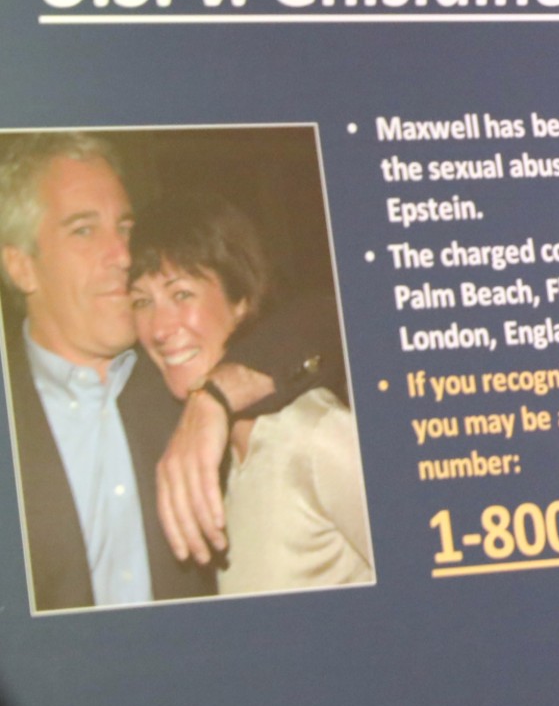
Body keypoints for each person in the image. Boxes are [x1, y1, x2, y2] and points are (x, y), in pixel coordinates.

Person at [0, 133, 334, 609]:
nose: (123, 255)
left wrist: (216, 395)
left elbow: (326, 317)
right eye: (84, 230)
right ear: (21, 266)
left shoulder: (180, 370)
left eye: (125, 227)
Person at [128, 193, 372, 594]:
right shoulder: (206, 447)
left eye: (181, 294)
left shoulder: (314, 435)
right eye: (142, 301)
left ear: (240, 298)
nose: (158, 328)